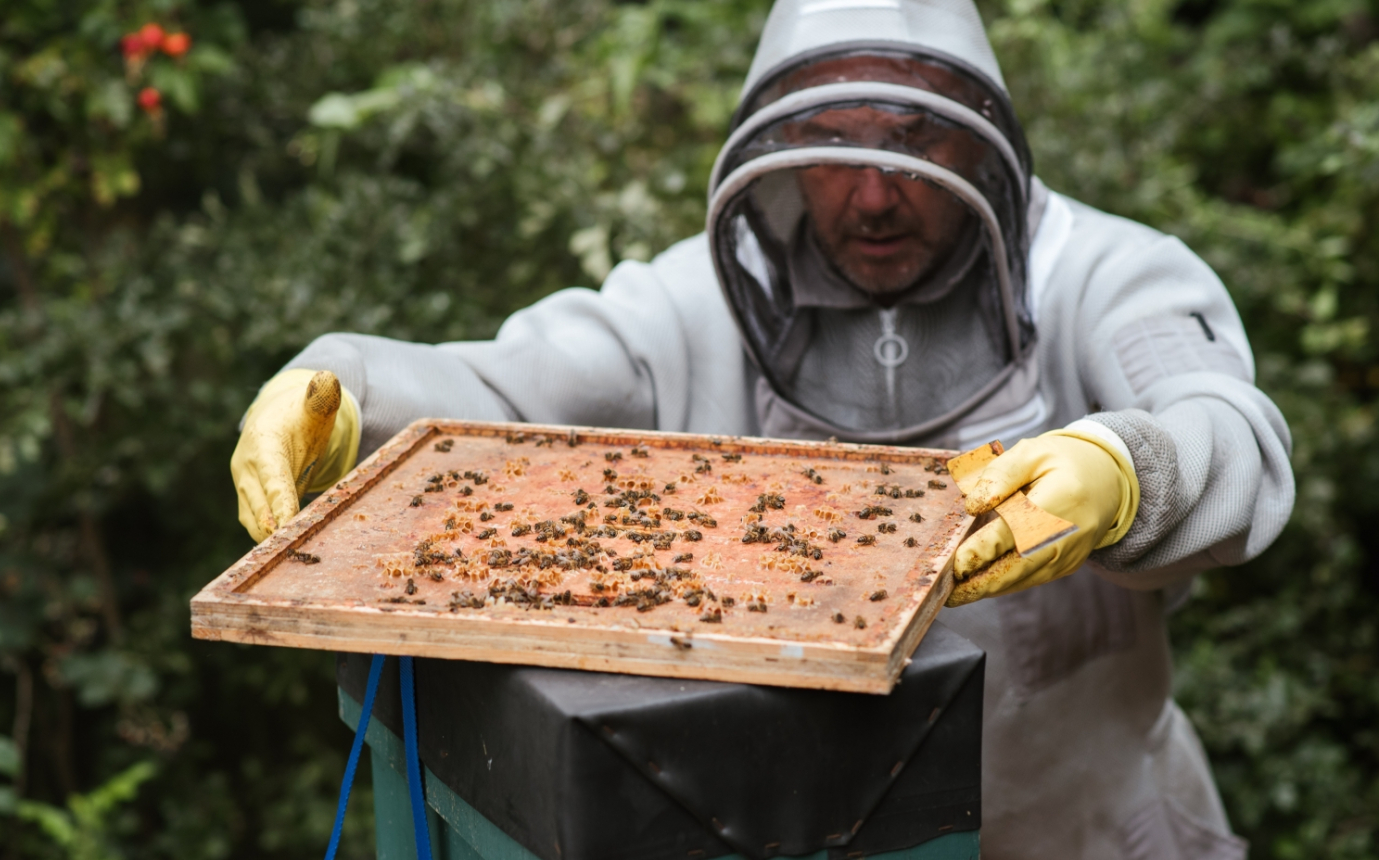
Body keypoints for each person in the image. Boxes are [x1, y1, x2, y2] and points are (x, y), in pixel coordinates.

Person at [230, 0, 1292, 855]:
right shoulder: (699, 301)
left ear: (985, 140)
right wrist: (350, 389)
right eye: (833, 143)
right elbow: (510, 393)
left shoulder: (1111, 275)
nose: (876, 192)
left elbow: (1230, 429)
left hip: (1091, 833)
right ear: (776, 146)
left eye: (915, 132)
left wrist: (1126, 468)